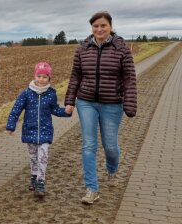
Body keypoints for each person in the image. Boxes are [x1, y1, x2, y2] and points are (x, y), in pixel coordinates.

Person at [64, 11, 137, 204]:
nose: (99, 29)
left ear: (111, 27)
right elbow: (75, 77)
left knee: (110, 146)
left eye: (103, 25)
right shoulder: (82, 48)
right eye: (96, 26)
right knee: (88, 145)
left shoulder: (121, 49)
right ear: (92, 28)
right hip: (86, 102)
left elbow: (129, 78)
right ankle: (92, 189)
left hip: (112, 104)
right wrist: (70, 101)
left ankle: (112, 170)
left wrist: (129, 103)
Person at [6, 62, 72, 198]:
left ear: (49, 79)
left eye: (45, 77)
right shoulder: (26, 93)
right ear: (35, 76)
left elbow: (54, 109)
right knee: (33, 156)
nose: (41, 79)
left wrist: (66, 111)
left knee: (43, 155)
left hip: (45, 130)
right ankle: (34, 176)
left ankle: (40, 182)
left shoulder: (51, 94)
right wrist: (11, 126)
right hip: (30, 130)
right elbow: (16, 109)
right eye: (39, 76)